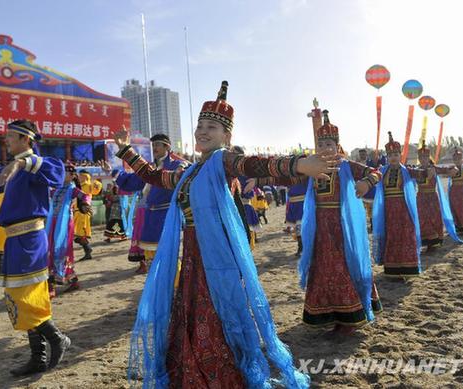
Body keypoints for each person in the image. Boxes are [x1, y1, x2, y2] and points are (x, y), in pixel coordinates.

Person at [119, 81, 335, 388]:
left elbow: (254, 164)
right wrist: (126, 150)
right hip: (194, 258)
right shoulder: (190, 171)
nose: (202, 131)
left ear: (226, 136)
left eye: (212, 127)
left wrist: (299, 164)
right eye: (200, 125)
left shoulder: (222, 160)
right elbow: (155, 176)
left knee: (218, 315)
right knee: (192, 313)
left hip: (217, 259)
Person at [0, 119, 70, 376]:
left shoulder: (38, 166)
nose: (6, 141)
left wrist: (22, 162)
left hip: (30, 238)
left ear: (26, 139)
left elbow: (57, 172)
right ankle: (38, 356)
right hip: (13, 240)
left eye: (11, 137)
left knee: (26, 295)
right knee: (17, 296)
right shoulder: (11, 170)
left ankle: (56, 338)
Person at [296, 111, 382, 335]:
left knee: (343, 266)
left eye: (329, 144)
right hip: (319, 229)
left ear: (338, 145)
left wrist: (365, 182)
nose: (325, 148)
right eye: (321, 144)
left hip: (342, 229)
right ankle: (330, 314)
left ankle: (350, 317)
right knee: (321, 269)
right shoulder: (313, 166)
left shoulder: (346, 165)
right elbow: (291, 176)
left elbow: (375, 172)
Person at [107, 133, 185, 274]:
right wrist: (113, 172)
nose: (154, 148)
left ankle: (174, 289)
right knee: (150, 256)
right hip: (149, 217)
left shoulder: (177, 165)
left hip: (166, 215)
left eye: (157, 145)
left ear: (167, 146)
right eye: (153, 145)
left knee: (169, 257)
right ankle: (156, 289)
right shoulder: (149, 167)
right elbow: (133, 181)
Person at [372, 132, 431, 277]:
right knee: (391, 236)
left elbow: (421, 173)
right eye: (390, 155)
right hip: (388, 211)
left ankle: (408, 267)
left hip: (404, 210)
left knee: (406, 235)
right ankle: (392, 268)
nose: (393, 157)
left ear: (400, 156)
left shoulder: (407, 171)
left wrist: (429, 171)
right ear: (387, 157)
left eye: (395, 154)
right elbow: (371, 178)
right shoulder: (382, 172)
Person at [46, 163, 92, 298]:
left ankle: (54, 284)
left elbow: (85, 196)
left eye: (64, 172)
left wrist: (84, 205)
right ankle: (65, 280)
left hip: (65, 223)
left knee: (62, 249)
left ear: (72, 175)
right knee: (50, 249)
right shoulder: (56, 189)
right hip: (52, 222)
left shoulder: (72, 189)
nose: (60, 174)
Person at [415, 141, 462, 252]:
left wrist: (453, 169)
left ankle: (433, 242)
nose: (423, 159)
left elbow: (447, 170)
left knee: (433, 218)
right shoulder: (415, 170)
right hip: (420, 198)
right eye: (421, 157)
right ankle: (426, 241)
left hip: (432, 197)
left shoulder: (434, 168)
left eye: (425, 157)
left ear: (428, 157)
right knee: (422, 219)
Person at [74, 171, 102, 261]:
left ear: (86, 177)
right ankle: (87, 250)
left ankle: (88, 251)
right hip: (76, 212)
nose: (79, 177)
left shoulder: (89, 186)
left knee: (81, 233)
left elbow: (97, 188)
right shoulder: (77, 186)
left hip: (83, 212)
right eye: (79, 176)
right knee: (77, 234)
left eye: (81, 176)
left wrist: (92, 180)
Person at [448, 146, 463, 234]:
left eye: (459, 159)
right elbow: (444, 172)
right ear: (453, 160)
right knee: (457, 208)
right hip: (454, 192)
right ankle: (460, 226)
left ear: (462, 159)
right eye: (455, 159)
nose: (457, 161)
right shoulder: (451, 168)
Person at [285, 182, 306, 256]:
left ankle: (303, 248)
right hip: (294, 205)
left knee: (302, 226)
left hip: (304, 204)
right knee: (298, 227)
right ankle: (300, 247)